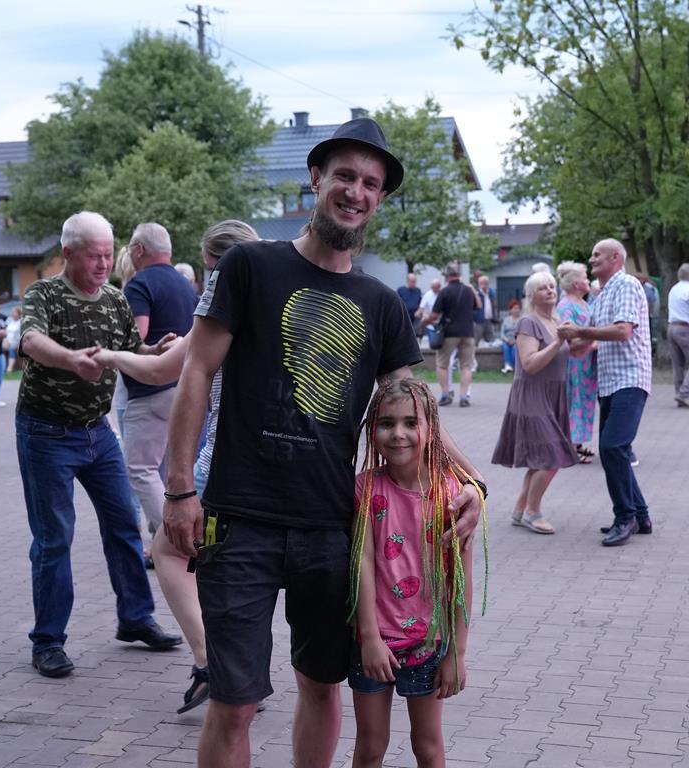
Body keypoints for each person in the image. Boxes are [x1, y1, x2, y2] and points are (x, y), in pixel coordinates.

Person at [161, 117, 485, 768]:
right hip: (241, 520)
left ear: (380, 198)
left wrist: (468, 482)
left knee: (321, 685)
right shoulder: (251, 266)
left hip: (332, 527)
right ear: (316, 178)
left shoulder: (381, 304)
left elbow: (415, 409)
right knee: (235, 702)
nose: (355, 192)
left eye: (370, 183)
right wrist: (179, 489)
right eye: (345, 176)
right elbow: (196, 369)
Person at [93, 219, 259, 713]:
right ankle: (243, 673)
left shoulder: (225, 306)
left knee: (168, 551)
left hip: (221, 459)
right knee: (243, 572)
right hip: (271, 464)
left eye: (209, 269)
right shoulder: (282, 303)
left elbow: (159, 370)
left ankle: (212, 663)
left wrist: (112, 356)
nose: (207, 281)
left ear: (219, 265)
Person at [16, 211, 182, 679]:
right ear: (68, 253)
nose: (104, 264)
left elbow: (131, 349)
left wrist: (155, 350)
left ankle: (135, 618)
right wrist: (71, 360)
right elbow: (31, 341)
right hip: (46, 432)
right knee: (54, 538)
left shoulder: (114, 299)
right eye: (94, 256)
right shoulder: (45, 293)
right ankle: (48, 640)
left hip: (98, 432)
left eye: (109, 255)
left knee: (123, 525)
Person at [347, 377, 477, 768]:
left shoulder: (451, 495)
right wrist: (370, 638)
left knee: (428, 746)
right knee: (370, 747)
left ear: (431, 430)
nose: (398, 434)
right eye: (387, 423)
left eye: (410, 423)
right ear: (372, 430)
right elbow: (361, 562)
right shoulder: (364, 489)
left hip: (429, 644)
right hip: (374, 642)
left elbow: (462, 580)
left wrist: (457, 653)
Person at [558, 239, 653, 546]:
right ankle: (640, 515)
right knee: (616, 450)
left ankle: (625, 518)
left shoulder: (626, 285)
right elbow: (583, 345)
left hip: (630, 379)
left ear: (616, 258)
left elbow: (623, 331)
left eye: (597, 255)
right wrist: (562, 341)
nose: (591, 259)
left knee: (612, 447)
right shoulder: (600, 296)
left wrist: (580, 332)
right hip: (610, 383)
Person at [121, 223, 199, 547]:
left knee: (140, 469)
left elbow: (135, 336)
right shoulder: (186, 286)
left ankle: (172, 542)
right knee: (167, 473)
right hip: (185, 389)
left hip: (150, 390)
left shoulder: (139, 284)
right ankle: (173, 542)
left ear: (139, 250)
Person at [492, 271, 579, 535]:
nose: (550, 290)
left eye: (552, 286)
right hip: (532, 396)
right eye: (543, 288)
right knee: (551, 457)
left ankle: (520, 510)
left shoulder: (556, 321)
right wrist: (560, 341)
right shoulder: (528, 323)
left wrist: (587, 336)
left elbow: (569, 351)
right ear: (531, 295)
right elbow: (530, 364)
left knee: (540, 458)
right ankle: (533, 512)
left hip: (554, 395)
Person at [555, 261, 598, 461]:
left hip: (586, 363)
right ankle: (570, 447)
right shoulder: (566, 306)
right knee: (574, 403)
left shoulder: (583, 303)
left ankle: (577, 443)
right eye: (585, 278)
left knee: (583, 403)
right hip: (574, 364)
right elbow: (568, 340)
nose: (588, 280)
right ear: (576, 284)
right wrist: (593, 340)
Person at [423, 263, 480, 407]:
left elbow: (434, 314)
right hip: (468, 333)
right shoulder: (468, 290)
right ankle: (463, 398)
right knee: (466, 366)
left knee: (442, 364)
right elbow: (478, 306)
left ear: (447, 276)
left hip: (449, 334)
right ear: (459, 275)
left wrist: (425, 321)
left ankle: (445, 395)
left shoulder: (445, 292)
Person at [666, 263, 689, 408]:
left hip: (672, 327)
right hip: (686, 328)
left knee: (678, 364)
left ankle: (679, 392)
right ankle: (684, 394)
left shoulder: (674, 289)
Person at [417, 278, 441, 347]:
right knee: (433, 343)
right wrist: (423, 314)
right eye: (432, 287)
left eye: (435, 287)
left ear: (439, 286)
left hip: (440, 323)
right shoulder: (428, 295)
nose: (433, 289)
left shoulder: (442, 294)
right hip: (430, 323)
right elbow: (422, 307)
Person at [499, 300, 521, 373]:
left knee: (514, 348)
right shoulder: (506, 320)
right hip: (507, 340)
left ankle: (514, 366)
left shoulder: (521, 320)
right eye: (515, 308)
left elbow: (521, 333)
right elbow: (502, 333)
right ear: (510, 310)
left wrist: (515, 340)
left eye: (518, 308)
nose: (517, 310)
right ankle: (507, 365)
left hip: (517, 340)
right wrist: (506, 340)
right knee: (505, 347)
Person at [474, 274, 495, 344]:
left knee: (490, 340)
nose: (484, 285)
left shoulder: (491, 292)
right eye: (482, 283)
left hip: (489, 319)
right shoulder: (476, 293)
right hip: (479, 320)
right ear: (479, 284)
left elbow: (493, 304)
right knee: (476, 340)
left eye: (486, 283)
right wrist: (475, 316)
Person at [5, 306, 23, 373]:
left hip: (17, 343)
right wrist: (6, 340)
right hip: (7, 342)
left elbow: (21, 335)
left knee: (12, 349)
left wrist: (18, 343)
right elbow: (5, 332)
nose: (12, 313)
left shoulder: (21, 322)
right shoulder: (9, 321)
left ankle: (9, 368)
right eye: (12, 312)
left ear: (19, 314)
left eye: (14, 312)